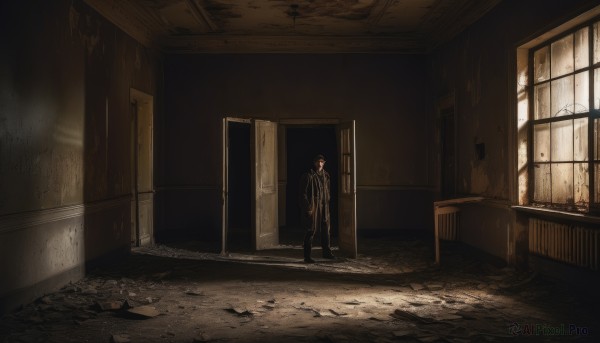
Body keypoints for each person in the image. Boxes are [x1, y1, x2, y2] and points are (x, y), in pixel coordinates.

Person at [299, 154, 335, 263]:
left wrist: (327, 200)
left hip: (324, 206)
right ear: (314, 163)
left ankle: (327, 252)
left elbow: (327, 190)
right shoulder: (308, 176)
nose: (320, 164)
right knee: (311, 230)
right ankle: (307, 256)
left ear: (324, 163)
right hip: (314, 206)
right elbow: (303, 194)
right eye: (318, 162)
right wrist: (308, 207)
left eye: (321, 162)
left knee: (326, 229)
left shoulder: (326, 175)